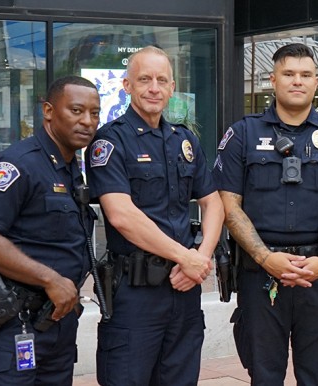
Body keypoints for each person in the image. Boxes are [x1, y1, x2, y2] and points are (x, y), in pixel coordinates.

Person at [214, 42, 318, 385]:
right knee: (264, 375)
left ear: (317, 82)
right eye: (288, 74)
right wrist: (264, 257)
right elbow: (228, 206)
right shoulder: (243, 134)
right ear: (273, 79)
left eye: (306, 75)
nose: (297, 81)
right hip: (261, 275)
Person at [88, 46, 224, 385]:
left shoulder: (184, 140)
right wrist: (186, 257)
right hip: (136, 295)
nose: (154, 87)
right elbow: (121, 216)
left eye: (162, 80)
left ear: (172, 87)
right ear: (127, 85)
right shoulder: (111, 141)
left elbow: (213, 202)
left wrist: (201, 258)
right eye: (144, 79)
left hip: (184, 289)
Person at [0, 76, 99, 385]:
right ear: (48, 111)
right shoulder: (18, 164)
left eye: (94, 113)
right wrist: (50, 279)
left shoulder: (72, 170)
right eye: (76, 110)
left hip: (55, 324)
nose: (87, 121)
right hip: (10, 323)